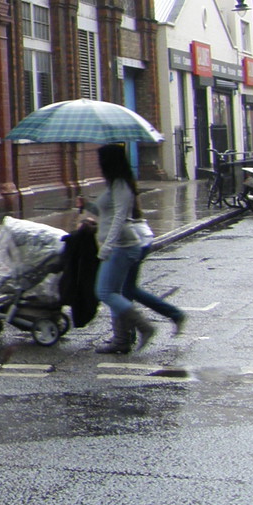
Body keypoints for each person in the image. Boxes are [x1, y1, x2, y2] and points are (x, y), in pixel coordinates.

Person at [89, 142, 186, 353]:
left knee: (106, 292)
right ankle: (124, 338)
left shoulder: (121, 185)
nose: (98, 165)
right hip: (122, 245)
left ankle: (142, 328)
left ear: (109, 162)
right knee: (123, 291)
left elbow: (120, 218)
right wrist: (86, 206)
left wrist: (107, 246)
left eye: (101, 160)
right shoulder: (114, 184)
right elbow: (106, 214)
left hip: (124, 246)